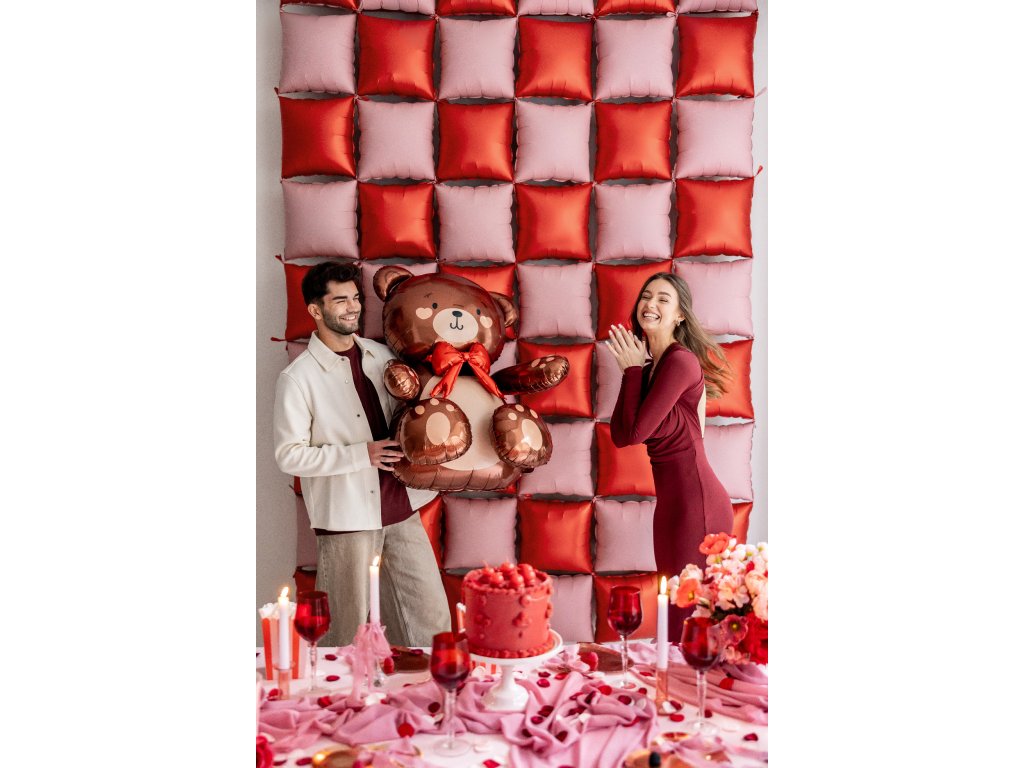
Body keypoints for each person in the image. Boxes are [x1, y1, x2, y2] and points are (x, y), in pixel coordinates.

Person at [273, 261, 450, 648]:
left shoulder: (381, 355)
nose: (353, 307)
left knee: (431, 619)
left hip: (401, 507)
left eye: (355, 298)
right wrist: (361, 455)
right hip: (346, 518)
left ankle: (424, 686)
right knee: (344, 630)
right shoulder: (298, 378)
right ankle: (334, 689)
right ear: (315, 310)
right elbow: (289, 456)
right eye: (340, 300)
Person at [606, 272, 735, 640]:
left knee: (689, 619)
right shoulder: (650, 369)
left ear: (680, 315)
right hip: (671, 508)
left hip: (698, 503)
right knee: (676, 614)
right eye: (646, 296)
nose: (650, 304)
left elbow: (636, 432)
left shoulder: (681, 362)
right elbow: (620, 436)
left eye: (663, 299)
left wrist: (632, 370)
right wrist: (632, 372)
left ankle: (694, 676)